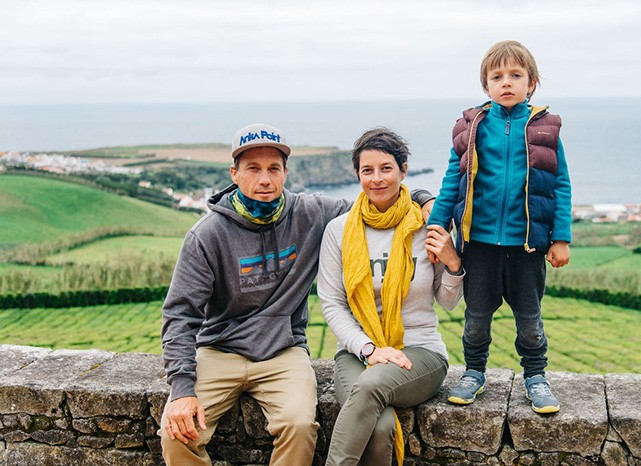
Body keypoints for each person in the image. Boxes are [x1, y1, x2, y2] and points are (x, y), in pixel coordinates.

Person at [159, 123, 435, 466]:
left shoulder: (310, 214)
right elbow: (180, 315)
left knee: (301, 425)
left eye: (274, 169)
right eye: (253, 169)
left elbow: (377, 199)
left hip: (283, 351)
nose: (265, 180)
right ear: (234, 173)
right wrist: (182, 389)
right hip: (219, 350)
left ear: (286, 172)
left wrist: (423, 198)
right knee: (177, 434)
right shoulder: (206, 235)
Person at [427, 40, 572, 414]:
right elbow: (449, 184)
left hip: (528, 246)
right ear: (486, 85)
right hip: (479, 245)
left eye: (515, 75)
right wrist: (436, 227)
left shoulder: (546, 130)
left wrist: (561, 238)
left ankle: (536, 377)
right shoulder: (469, 128)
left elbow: (561, 186)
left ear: (532, 83)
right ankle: (474, 372)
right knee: (476, 317)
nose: (506, 82)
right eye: (497, 76)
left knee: (529, 319)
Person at [318, 128, 464, 466]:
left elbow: (448, 300)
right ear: (357, 175)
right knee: (380, 427)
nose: (377, 178)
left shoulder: (428, 227)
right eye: (367, 170)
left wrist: (454, 262)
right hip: (357, 352)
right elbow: (332, 303)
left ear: (403, 170)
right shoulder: (338, 231)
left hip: (420, 350)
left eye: (386, 168)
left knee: (370, 386)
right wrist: (369, 349)